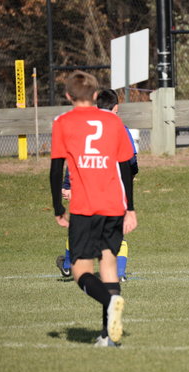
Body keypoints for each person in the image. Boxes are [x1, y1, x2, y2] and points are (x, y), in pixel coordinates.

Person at [50, 71, 137, 346]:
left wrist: (57, 207)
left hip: (85, 208)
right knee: (108, 266)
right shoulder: (113, 122)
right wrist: (130, 208)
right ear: (96, 95)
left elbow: (56, 169)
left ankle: (110, 302)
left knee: (81, 271)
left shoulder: (63, 123)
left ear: (68, 96)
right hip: (113, 206)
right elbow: (126, 168)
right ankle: (107, 335)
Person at [55, 89, 139, 282]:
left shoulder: (82, 128)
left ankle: (68, 265)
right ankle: (119, 273)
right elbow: (130, 161)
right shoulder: (119, 128)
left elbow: (74, 158)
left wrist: (67, 185)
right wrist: (130, 179)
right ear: (116, 107)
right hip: (111, 190)